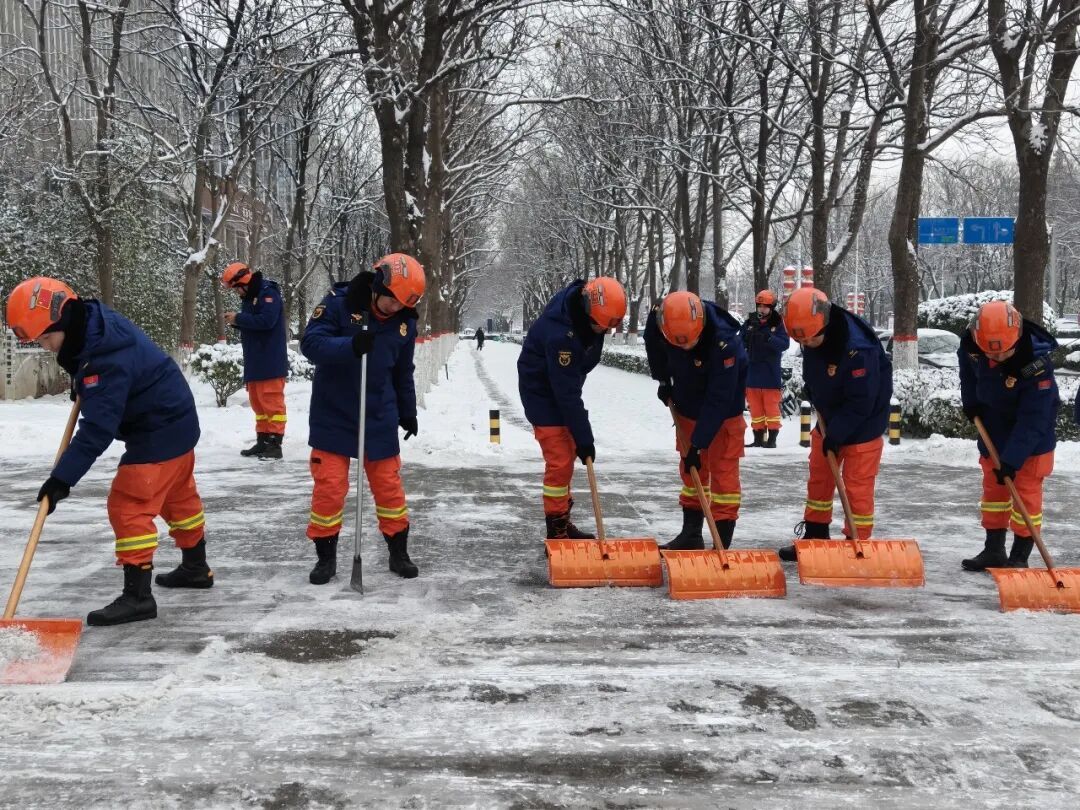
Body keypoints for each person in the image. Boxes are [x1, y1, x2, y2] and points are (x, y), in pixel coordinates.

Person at [5, 277, 214, 626]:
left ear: (59, 322)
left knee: (129, 503)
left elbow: (97, 431)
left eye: (44, 338)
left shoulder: (103, 359)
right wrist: (83, 382)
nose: (45, 347)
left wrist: (61, 479)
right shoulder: (96, 322)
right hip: (176, 421)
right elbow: (99, 368)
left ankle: (137, 597)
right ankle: (195, 567)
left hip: (158, 431)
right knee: (177, 497)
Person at [300, 253, 425, 584]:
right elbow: (310, 344)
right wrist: (350, 345)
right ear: (378, 283)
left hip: (378, 413)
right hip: (334, 412)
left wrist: (407, 410)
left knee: (389, 488)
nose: (395, 308)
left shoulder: (404, 323)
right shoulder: (340, 303)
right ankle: (325, 558)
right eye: (391, 300)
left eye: (402, 305)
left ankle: (398, 552)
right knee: (330, 487)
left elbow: (403, 371)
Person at [777, 287, 892, 562]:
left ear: (824, 324)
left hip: (864, 424)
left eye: (810, 340)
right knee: (819, 476)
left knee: (857, 486)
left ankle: (857, 543)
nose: (807, 345)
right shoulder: (811, 332)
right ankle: (816, 534)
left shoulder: (857, 349)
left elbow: (861, 401)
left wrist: (838, 433)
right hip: (829, 420)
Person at [517, 276, 627, 539]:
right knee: (560, 462)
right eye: (600, 327)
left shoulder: (588, 319)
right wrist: (584, 438)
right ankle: (556, 529)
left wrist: (578, 434)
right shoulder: (560, 336)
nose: (603, 333)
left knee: (565, 458)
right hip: (542, 396)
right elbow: (565, 394)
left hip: (562, 388)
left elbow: (570, 385)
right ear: (588, 310)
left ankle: (563, 520)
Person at [958, 300, 1058, 570]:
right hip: (993, 432)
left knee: (1025, 496)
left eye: (1004, 353)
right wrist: (971, 402)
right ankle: (993, 550)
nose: (997, 358)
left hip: (1031, 444)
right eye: (991, 354)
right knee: (993, 495)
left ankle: (1019, 557)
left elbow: (1033, 420)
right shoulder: (973, 347)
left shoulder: (1036, 365)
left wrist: (1012, 460)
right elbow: (968, 375)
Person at [645, 291, 748, 550]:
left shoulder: (726, 344)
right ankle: (691, 534)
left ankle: (721, 542)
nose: (684, 348)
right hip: (688, 407)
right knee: (692, 474)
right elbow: (652, 342)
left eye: (689, 343)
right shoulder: (661, 322)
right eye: (678, 344)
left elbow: (719, 398)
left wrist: (699, 444)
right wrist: (663, 380)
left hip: (724, 415)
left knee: (724, 476)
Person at [222, 261, 288, 459]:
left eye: (236, 289)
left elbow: (267, 322)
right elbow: (254, 324)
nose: (237, 293)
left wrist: (238, 319)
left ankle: (275, 444)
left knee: (272, 404)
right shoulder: (251, 297)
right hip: (255, 360)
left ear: (242, 283)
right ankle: (263, 440)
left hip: (270, 360)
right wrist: (237, 322)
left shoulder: (268, 294)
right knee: (258, 404)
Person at [740, 290, 790, 448]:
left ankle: (772, 440)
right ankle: (758, 438)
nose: (761, 309)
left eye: (765, 306)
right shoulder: (749, 323)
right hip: (752, 374)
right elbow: (739, 341)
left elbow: (784, 344)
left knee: (771, 409)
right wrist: (747, 337)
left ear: (772, 307)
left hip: (770, 374)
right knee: (755, 410)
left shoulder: (778, 323)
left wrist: (769, 337)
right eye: (759, 306)